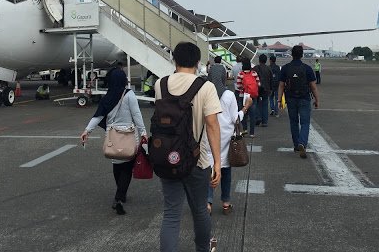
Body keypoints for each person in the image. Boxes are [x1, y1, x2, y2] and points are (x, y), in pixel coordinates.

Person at [155, 42, 222, 252]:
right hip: (197, 160)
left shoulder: (161, 84)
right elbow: (212, 125)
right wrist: (218, 163)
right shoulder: (206, 86)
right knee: (200, 211)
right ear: (198, 62)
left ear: (174, 60)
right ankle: (203, 249)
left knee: (171, 214)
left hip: (167, 156)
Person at [80, 62, 147, 215]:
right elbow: (137, 116)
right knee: (127, 167)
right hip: (129, 136)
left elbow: (98, 116)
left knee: (117, 165)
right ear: (124, 80)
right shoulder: (129, 95)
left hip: (112, 137)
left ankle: (120, 193)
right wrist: (143, 133)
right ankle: (119, 196)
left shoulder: (107, 97)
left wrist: (87, 131)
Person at [205, 87, 252, 215]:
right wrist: (246, 107)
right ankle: (226, 203)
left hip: (209, 136)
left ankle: (208, 202)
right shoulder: (229, 95)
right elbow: (235, 119)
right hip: (226, 139)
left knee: (211, 168)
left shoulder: (205, 91)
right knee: (225, 169)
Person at [278, 45, 319, 159]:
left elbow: (281, 85)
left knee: (294, 122)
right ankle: (302, 142)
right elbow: (313, 86)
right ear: (302, 55)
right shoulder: (307, 68)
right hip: (304, 98)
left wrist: (280, 100)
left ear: (292, 54)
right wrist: (316, 99)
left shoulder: (286, 68)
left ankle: (296, 145)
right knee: (305, 123)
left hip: (290, 99)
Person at [235, 58, 260, 138]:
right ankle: (252, 133)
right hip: (252, 96)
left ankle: (244, 129)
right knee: (252, 114)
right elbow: (258, 84)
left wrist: (244, 88)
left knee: (243, 112)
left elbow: (238, 86)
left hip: (243, 96)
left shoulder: (240, 74)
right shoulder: (254, 73)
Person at [253, 54, 273, 127]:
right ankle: (265, 122)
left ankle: (258, 117)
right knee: (265, 105)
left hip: (257, 89)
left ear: (259, 60)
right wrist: (271, 89)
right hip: (266, 89)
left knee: (256, 103)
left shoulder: (255, 68)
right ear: (266, 60)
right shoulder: (268, 68)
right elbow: (271, 80)